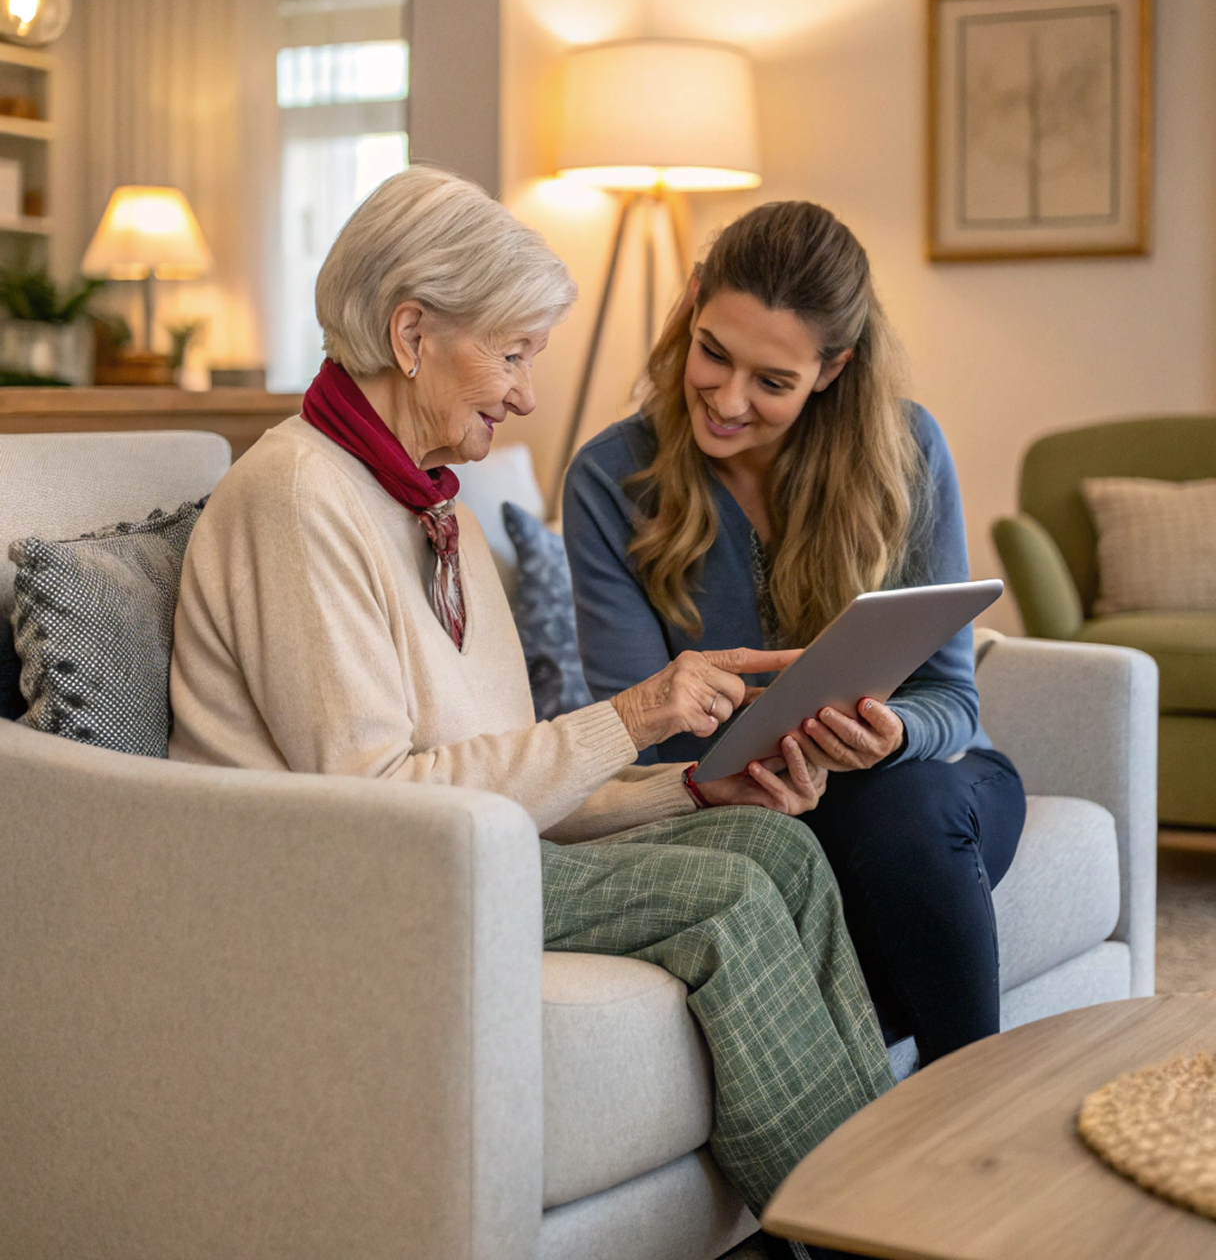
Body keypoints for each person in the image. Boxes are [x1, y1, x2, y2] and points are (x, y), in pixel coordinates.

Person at [168, 167, 895, 1221]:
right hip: (349, 881)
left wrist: (694, 787)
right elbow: (375, 801)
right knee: (729, 897)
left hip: (465, 850)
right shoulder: (296, 495)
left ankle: (890, 1199)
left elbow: (514, 783)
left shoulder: (436, 512)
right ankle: (851, 1232)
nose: (525, 395)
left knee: (779, 847)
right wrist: (634, 716)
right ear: (411, 333)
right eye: (512, 354)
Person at [563, 199, 1027, 1068]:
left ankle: (966, 1107)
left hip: (925, 788)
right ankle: (930, 1123)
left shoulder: (905, 448)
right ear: (692, 302)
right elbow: (642, 743)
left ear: (833, 368)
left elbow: (952, 702)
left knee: (901, 813)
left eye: (772, 382)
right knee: (819, 858)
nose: (727, 399)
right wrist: (748, 775)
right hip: (744, 813)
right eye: (713, 352)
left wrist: (891, 735)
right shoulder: (610, 479)